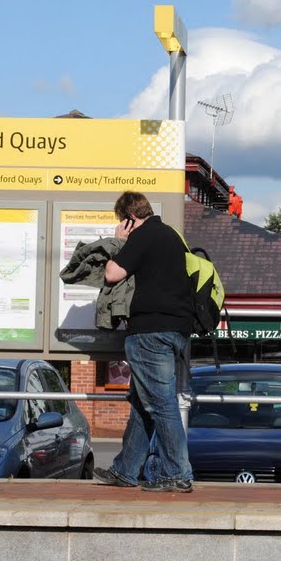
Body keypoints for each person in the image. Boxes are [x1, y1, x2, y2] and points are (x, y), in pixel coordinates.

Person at [92, 191, 195, 493]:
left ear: (128, 218)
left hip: (151, 331)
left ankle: (178, 473)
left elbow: (112, 273)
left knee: (161, 405)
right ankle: (125, 469)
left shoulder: (143, 235)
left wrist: (119, 241)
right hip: (175, 329)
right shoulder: (170, 236)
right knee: (142, 404)